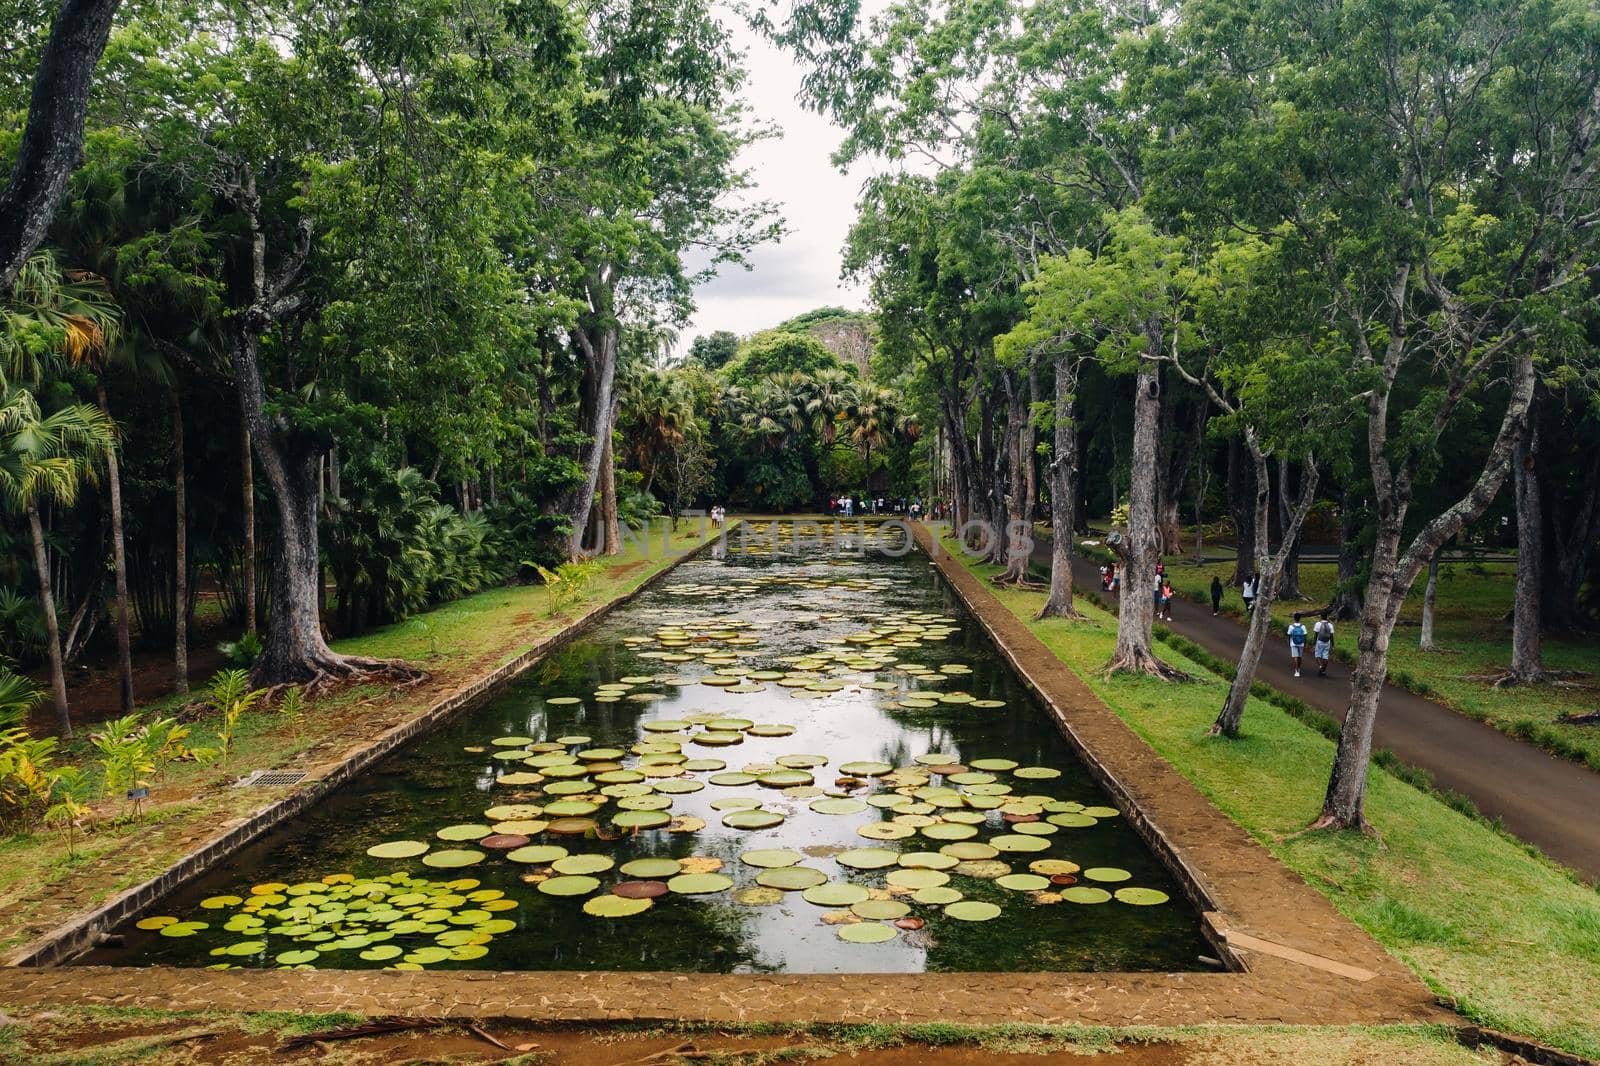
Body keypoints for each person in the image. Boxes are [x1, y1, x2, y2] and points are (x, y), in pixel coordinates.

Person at [1287, 612, 1309, 678]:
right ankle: (1298, 668)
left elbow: (1289, 635)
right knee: (1299, 657)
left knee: (1295, 657)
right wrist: (1305, 644)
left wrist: (1288, 642)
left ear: (1294, 618)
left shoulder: (1291, 626)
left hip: (1293, 643)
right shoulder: (1303, 626)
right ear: (1300, 618)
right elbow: (1305, 636)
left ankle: (1297, 671)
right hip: (1301, 643)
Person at [1312, 612, 1335, 677]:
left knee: (1317, 655)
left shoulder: (1318, 624)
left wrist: (1314, 643)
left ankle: (1321, 666)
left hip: (1319, 642)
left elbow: (1316, 634)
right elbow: (1331, 636)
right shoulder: (1330, 625)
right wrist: (1333, 645)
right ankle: (1323, 671)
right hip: (1327, 642)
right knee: (1325, 656)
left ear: (1321, 616)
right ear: (1327, 616)